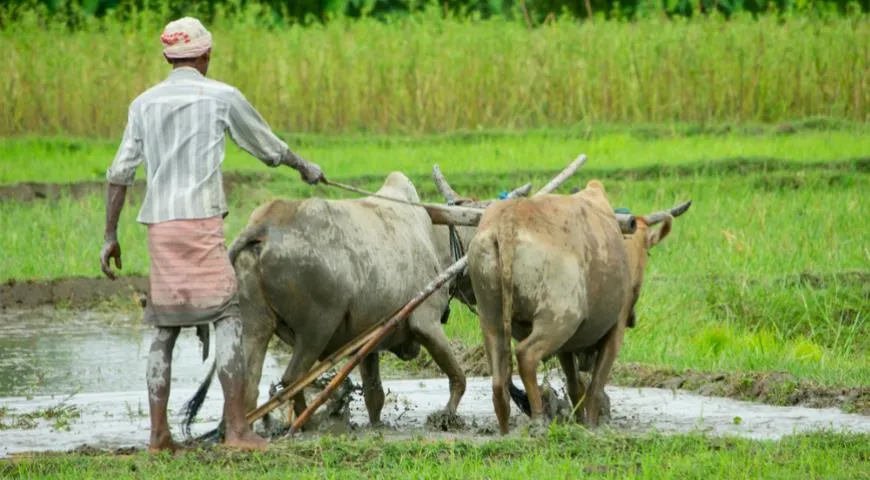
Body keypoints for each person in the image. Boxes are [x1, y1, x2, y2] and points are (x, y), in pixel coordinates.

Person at [99, 17, 325, 453]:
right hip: (201, 222)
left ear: (168, 58)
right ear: (205, 56)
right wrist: (303, 167)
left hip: (160, 229)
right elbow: (266, 146)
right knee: (228, 317)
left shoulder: (143, 103)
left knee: (163, 328)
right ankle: (238, 431)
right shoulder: (221, 96)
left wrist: (110, 235)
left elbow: (119, 173)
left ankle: (158, 435)